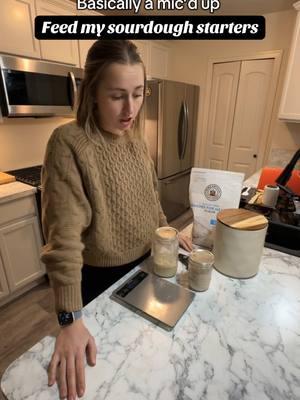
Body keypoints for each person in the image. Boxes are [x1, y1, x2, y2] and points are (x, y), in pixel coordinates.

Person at [41, 40, 193, 400]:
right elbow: (63, 240)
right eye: (117, 96)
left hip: (148, 266)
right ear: (92, 93)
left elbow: (149, 198)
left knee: (156, 370)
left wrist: (168, 233)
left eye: (138, 94)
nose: (131, 109)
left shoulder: (135, 139)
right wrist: (70, 319)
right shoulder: (68, 143)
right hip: (103, 283)